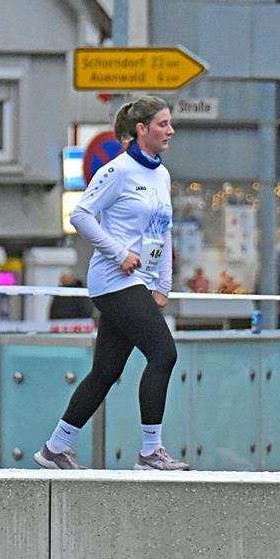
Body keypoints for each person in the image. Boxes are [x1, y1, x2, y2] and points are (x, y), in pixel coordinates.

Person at [34, 96, 189, 471]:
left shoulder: (161, 174)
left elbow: (163, 232)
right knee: (163, 353)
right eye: (163, 124)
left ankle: (56, 447)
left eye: (170, 124)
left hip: (142, 281)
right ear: (142, 130)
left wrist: (163, 286)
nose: (170, 131)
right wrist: (119, 252)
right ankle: (151, 452)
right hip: (114, 280)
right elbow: (81, 215)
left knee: (107, 370)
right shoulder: (117, 170)